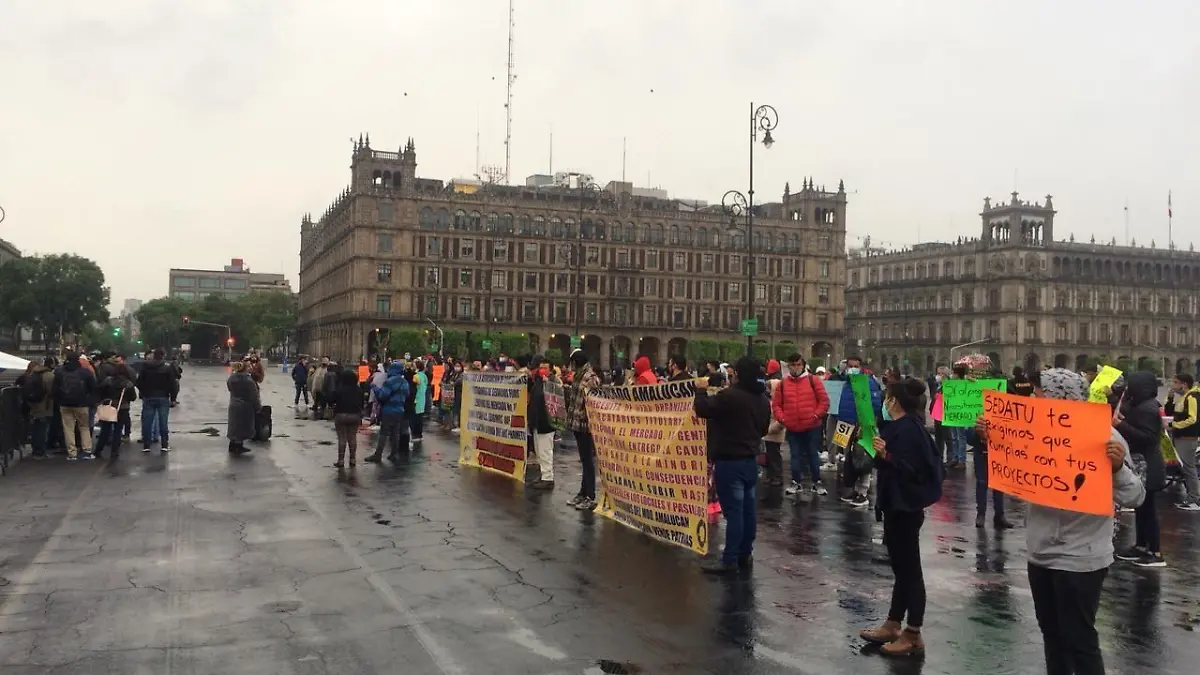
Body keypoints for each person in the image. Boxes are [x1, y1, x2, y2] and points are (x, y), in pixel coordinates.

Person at [1005, 367, 1144, 674]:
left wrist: (1117, 468)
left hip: (1082, 558)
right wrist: (995, 440)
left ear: (1060, 397)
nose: (1033, 400)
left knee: (1079, 640)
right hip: (1040, 554)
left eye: (1040, 394)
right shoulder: (1032, 432)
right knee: (1052, 635)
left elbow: (1136, 496)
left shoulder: (1105, 436)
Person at [859, 378, 942, 656]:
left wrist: (887, 456)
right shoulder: (902, 426)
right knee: (901, 569)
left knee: (910, 572)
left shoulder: (909, 430)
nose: (884, 401)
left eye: (887, 396)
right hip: (896, 506)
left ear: (894, 401)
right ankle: (894, 622)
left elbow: (913, 470)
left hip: (905, 507)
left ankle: (913, 632)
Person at [694, 356, 771, 575]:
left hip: (729, 460)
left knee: (734, 512)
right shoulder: (762, 399)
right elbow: (764, 429)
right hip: (750, 460)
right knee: (747, 511)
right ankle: (745, 554)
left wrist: (700, 390)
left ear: (738, 374)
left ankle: (730, 559)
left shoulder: (730, 396)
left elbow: (702, 409)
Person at [1113, 370, 1168, 568]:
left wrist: (1121, 425)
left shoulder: (1148, 408)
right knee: (1142, 509)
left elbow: (1148, 437)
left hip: (1149, 466)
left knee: (1148, 511)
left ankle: (1155, 552)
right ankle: (1141, 546)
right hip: (1142, 464)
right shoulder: (1141, 404)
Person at [773, 353, 831, 497]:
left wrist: (816, 415)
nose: (795, 367)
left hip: (812, 426)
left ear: (803, 365)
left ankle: (817, 482)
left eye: (798, 364)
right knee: (795, 455)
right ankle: (796, 482)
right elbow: (776, 405)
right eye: (793, 365)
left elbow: (824, 401)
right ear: (788, 366)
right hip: (793, 426)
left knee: (812, 455)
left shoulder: (813, 380)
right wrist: (782, 419)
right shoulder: (783, 384)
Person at [565, 349, 601, 510]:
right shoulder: (578, 375)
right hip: (576, 424)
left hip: (585, 425)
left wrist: (583, 414)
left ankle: (590, 496)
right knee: (584, 460)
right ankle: (582, 492)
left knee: (588, 461)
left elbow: (595, 399)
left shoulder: (590, 377)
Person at [53, 352, 97, 461]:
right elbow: (93, 388)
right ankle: (86, 451)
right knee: (84, 427)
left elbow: (54, 389)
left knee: (68, 429)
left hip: (65, 404)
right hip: (82, 404)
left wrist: (59, 400)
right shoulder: (85, 372)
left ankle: (72, 453)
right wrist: (90, 401)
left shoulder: (59, 372)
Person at [365, 361, 411, 464]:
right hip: (400, 410)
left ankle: (378, 455)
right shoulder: (405, 382)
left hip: (389, 410)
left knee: (384, 433)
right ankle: (394, 454)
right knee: (395, 433)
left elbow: (382, 395)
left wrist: (374, 387)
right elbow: (407, 395)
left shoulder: (389, 382)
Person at [1166, 373, 1200, 511]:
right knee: (1184, 467)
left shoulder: (1192, 397)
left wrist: (1175, 425)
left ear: (1184, 384)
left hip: (1187, 438)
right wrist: (1170, 398)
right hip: (1179, 437)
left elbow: (1193, 419)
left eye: (1175, 382)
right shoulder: (1182, 397)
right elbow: (1170, 412)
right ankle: (1192, 496)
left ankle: (1195, 499)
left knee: (1188, 468)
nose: (1173, 385)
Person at [93, 358, 136, 460]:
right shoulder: (128, 384)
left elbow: (99, 390)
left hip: (109, 407)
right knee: (118, 430)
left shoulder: (108, 381)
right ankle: (114, 452)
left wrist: (103, 400)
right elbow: (133, 397)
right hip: (122, 408)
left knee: (105, 430)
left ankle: (98, 450)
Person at [136, 348, 178, 453]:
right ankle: (164, 445)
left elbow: (139, 382)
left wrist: (144, 392)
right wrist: (173, 398)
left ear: (154, 356)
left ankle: (146, 445)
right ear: (163, 356)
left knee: (147, 422)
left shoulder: (145, 368)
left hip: (148, 397)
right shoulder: (167, 368)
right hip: (163, 397)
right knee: (163, 422)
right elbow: (173, 384)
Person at [527, 355, 557, 490]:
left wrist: (548, 384)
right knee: (539, 452)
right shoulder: (538, 382)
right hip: (537, 422)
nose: (542, 370)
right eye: (540, 368)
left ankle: (548, 478)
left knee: (545, 452)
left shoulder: (552, 382)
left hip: (545, 423)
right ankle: (543, 475)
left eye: (545, 368)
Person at [21, 357, 56, 459]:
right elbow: (51, 392)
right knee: (42, 429)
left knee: (36, 428)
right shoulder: (49, 376)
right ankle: (40, 451)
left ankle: (35, 450)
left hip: (33, 405)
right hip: (45, 406)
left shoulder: (33, 374)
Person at [331, 367, 364, 468]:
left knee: (342, 438)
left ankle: (341, 461)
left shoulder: (340, 389)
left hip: (341, 415)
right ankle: (353, 459)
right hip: (355, 415)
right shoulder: (359, 390)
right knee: (352, 437)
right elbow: (362, 403)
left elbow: (331, 399)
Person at [226, 361, 259, 455]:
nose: (249, 369)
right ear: (244, 369)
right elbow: (254, 396)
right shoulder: (249, 381)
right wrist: (258, 407)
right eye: (248, 367)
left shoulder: (231, 379)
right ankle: (238, 446)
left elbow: (229, 388)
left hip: (233, 404)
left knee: (234, 426)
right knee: (242, 426)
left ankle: (232, 445)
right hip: (245, 406)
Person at [762, 359, 786, 487]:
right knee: (770, 455)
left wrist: (769, 429)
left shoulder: (777, 401)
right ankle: (772, 475)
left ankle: (777, 476)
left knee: (774, 455)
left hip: (774, 431)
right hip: (770, 431)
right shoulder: (773, 399)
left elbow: (780, 420)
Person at [412, 359, 429, 444]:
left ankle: (416, 435)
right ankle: (419, 434)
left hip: (416, 399)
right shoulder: (424, 376)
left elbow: (413, 386)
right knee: (419, 417)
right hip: (422, 399)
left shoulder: (416, 376)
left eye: (414, 364)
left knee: (415, 418)